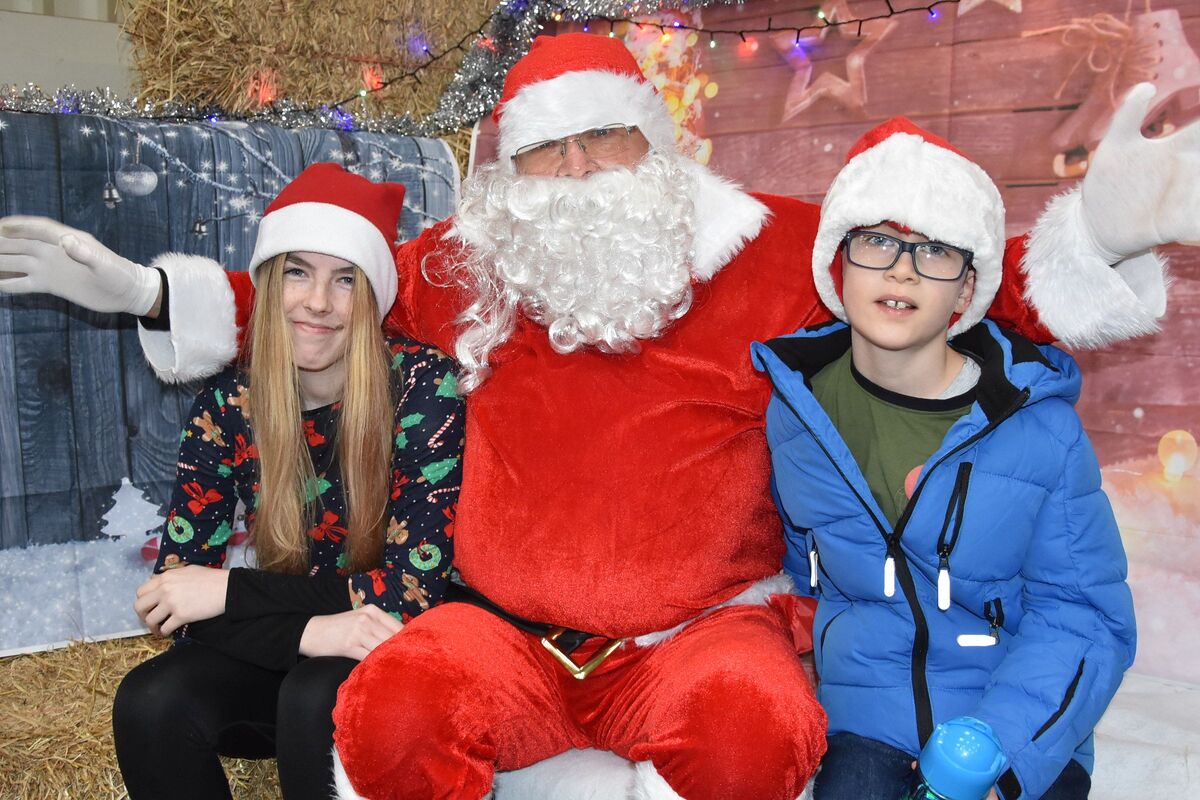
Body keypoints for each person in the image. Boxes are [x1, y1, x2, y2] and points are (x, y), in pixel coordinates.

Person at [0, 32, 1190, 800]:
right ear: (509, 177)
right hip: (503, 627)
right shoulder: (480, 260)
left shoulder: (767, 247)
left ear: (657, 142)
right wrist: (157, 289)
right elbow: (329, 293)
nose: (573, 175)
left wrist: (1102, 234)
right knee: (393, 708)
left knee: (753, 728)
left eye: (601, 140)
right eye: (544, 153)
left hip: (699, 630)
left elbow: (944, 287)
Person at [752, 118, 1135, 800]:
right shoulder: (795, 412)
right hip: (867, 720)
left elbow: (1084, 612)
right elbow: (799, 567)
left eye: (934, 250)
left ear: (967, 290)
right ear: (839, 261)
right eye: (878, 240)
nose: (901, 268)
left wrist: (999, 747)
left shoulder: (1039, 430)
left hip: (1017, 720)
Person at [108, 163, 464, 800]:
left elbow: (410, 592)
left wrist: (231, 594)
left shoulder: (421, 385)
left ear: (373, 295)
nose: (318, 303)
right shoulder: (228, 404)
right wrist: (308, 632)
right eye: (298, 271)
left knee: (311, 696)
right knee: (150, 700)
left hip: (398, 653)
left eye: (344, 279)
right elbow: (174, 596)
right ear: (271, 284)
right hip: (297, 638)